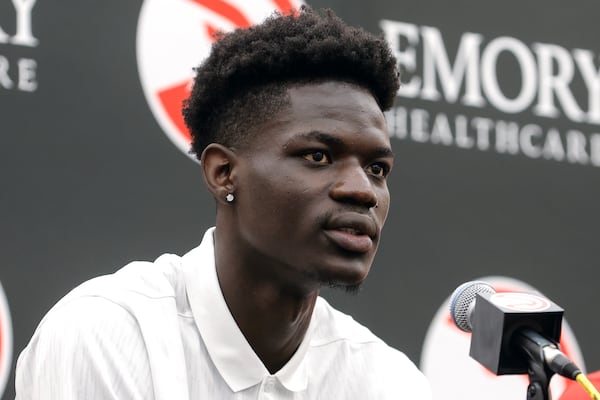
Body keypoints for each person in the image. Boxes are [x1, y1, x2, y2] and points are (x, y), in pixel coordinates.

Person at [15, 7, 431, 399]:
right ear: (222, 173)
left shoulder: (390, 382)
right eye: (318, 156)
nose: (362, 191)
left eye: (377, 168)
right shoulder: (107, 334)